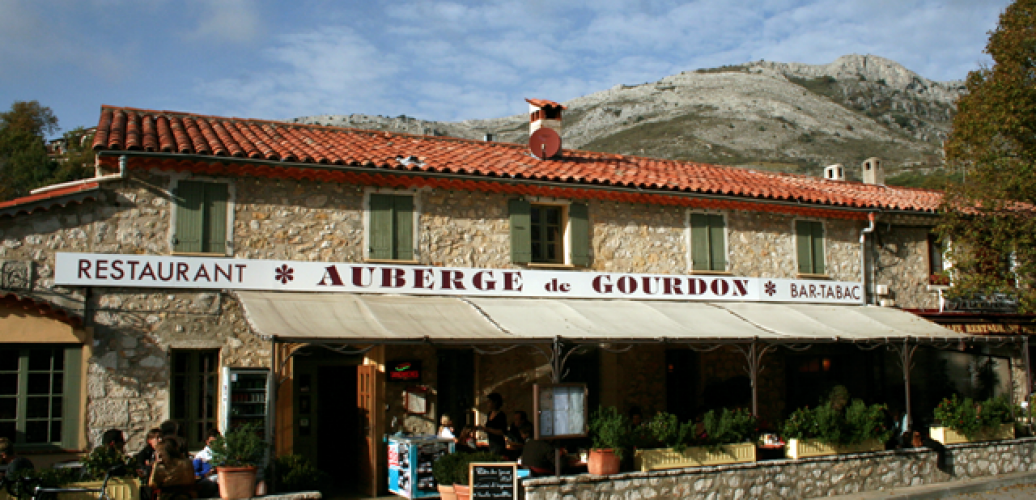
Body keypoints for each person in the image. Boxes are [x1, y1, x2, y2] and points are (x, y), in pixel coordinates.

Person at [193, 429, 221, 498]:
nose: (214, 444)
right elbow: (194, 474)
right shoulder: (201, 455)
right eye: (212, 442)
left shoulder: (223, 454)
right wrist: (206, 474)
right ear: (207, 442)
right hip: (207, 481)